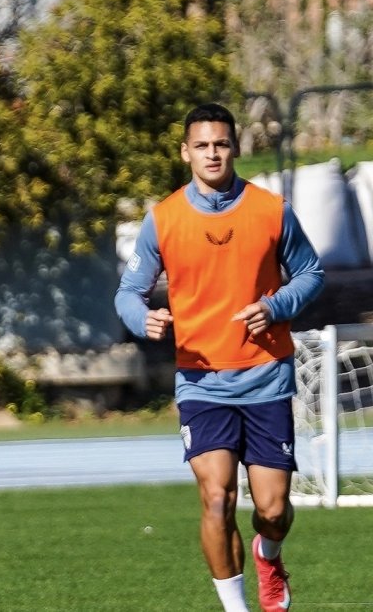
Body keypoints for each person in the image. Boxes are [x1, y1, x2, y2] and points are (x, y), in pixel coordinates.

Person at [115, 103, 324, 612]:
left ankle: (269, 556)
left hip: (267, 378)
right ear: (186, 152)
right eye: (202, 145)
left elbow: (312, 273)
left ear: (234, 148)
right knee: (216, 499)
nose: (212, 153)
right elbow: (128, 291)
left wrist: (275, 306)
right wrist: (142, 320)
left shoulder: (271, 210)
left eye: (221, 144)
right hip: (201, 382)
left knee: (272, 511)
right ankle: (236, 608)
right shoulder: (162, 219)